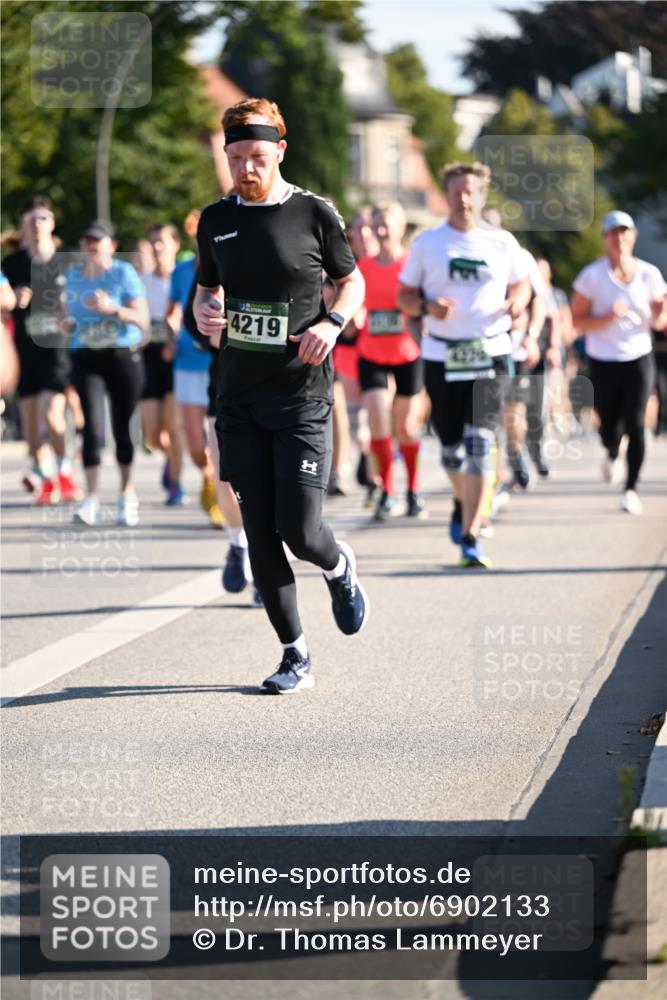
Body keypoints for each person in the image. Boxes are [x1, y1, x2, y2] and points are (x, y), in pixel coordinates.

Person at [193, 97, 368, 694]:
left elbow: (352, 281)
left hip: (301, 395)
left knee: (301, 531)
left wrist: (332, 323)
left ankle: (339, 566)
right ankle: (295, 655)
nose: (247, 169)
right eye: (237, 157)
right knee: (261, 534)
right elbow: (204, 292)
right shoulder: (215, 219)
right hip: (238, 396)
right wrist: (206, 314)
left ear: (280, 152)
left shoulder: (314, 212)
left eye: (258, 157)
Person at [397, 162, 531, 568]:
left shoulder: (502, 243)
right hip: (442, 354)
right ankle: (463, 500)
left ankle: (471, 535)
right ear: (447, 194)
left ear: (482, 195)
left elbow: (522, 282)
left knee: (480, 444)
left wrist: (518, 301)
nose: (464, 199)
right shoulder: (427, 243)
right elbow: (404, 297)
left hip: (490, 351)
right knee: (451, 449)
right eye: (456, 192)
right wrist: (426, 306)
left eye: (470, 192)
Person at [571, 210, 667, 514]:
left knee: (637, 421)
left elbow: (659, 321)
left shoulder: (650, 274)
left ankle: (631, 488)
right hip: (603, 358)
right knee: (608, 423)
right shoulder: (592, 276)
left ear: (633, 237)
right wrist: (606, 317)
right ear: (605, 239)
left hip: (638, 355)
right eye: (614, 233)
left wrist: (659, 312)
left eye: (625, 233)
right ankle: (612, 448)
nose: (620, 238)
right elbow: (577, 321)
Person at [64, 220, 149, 526]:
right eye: (86, 241)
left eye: (97, 241)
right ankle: (92, 499)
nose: (90, 246)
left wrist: (113, 309)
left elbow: (141, 318)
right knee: (92, 428)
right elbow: (69, 315)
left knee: (122, 428)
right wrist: (66, 323)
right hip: (86, 357)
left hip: (122, 356)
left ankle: (127, 494)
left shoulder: (123, 273)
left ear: (111, 246)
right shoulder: (72, 276)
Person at [1, 197, 81, 504]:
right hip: (24, 351)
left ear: (52, 223)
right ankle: (47, 475)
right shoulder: (11, 264)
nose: (37, 224)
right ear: (23, 225)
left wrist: (69, 311)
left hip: (56, 351)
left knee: (53, 414)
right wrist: (13, 298)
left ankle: (64, 471)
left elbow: (81, 299)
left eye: (43, 218)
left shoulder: (67, 260)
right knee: (32, 427)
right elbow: (3, 306)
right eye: (32, 219)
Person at [357, 201, 426, 520]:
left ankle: (413, 489)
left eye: (387, 223)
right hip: (371, 352)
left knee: (407, 427)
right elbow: (352, 297)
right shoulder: (364, 267)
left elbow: (422, 303)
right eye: (377, 224)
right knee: (377, 419)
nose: (381, 229)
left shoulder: (412, 265)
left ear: (401, 228)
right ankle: (386, 490)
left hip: (407, 353)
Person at [166, 242, 224, 525]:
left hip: (218, 363)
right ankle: (206, 472)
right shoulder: (181, 272)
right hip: (187, 361)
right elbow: (173, 309)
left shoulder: (232, 262)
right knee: (193, 441)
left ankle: (215, 486)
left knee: (216, 438)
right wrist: (170, 332)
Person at [138, 224, 185, 506]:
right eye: (153, 243)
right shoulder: (141, 280)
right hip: (147, 357)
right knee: (153, 434)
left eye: (162, 243)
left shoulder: (184, 278)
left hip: (178, 358)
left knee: (174, 425)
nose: (157, 248)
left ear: (175, 245)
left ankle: (176, 485)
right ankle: (169, 457)